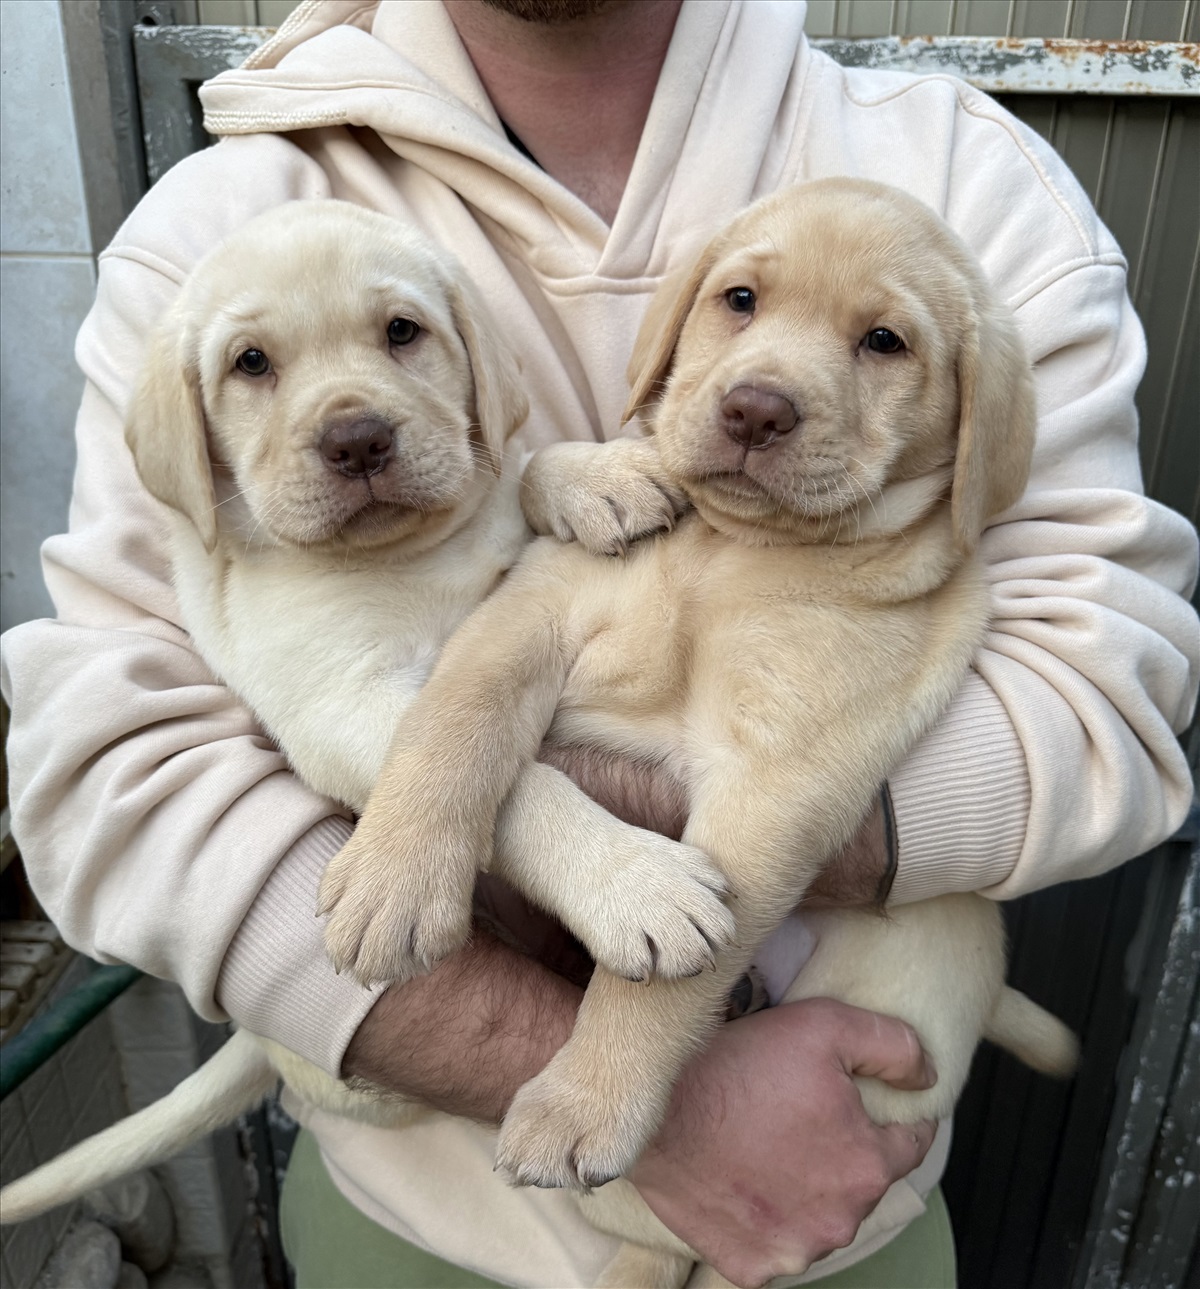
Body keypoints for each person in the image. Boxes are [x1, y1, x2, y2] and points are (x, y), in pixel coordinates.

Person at [2, 1, 1197, 1286]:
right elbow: (109, 782)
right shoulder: (208, 229)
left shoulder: (979, 180)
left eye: (885, 341)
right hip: (421, 1227)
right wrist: (639, 1081)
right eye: (734, 303)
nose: (764, 382)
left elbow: (1104, 705)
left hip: (831, 1214)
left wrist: (775, 816)